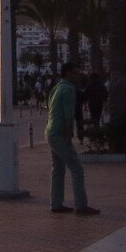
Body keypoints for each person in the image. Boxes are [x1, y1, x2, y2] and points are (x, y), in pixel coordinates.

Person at [44, 61, 98, 216]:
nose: (78, 75)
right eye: (76, 72)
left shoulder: (57, 87)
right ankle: (81, 205)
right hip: (60, 133)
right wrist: (69, 136)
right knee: (76, 168)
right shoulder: (68, 89)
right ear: (68, 73)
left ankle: (56, 203)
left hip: (50, 131)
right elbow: (69, 116)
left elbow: (49, 107)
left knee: (58, 169)